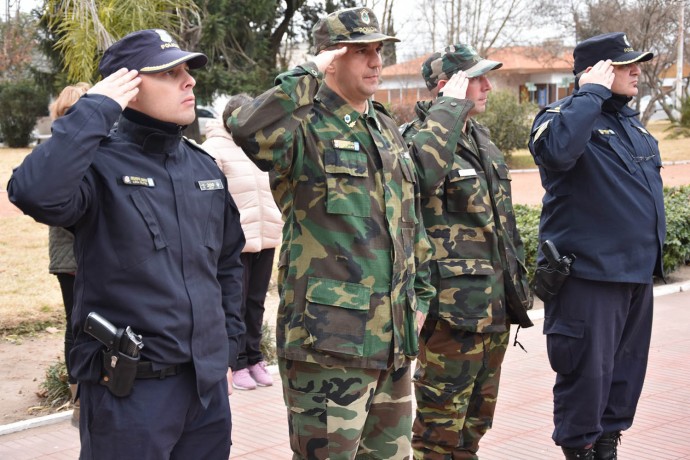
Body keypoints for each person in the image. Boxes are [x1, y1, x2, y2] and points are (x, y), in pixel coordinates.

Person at [8, 29, 245, 460]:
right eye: (169, 72)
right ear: (129, 88)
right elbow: (33, 192)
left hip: (206, 394)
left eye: (187, 70)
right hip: (131, 397)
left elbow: (228, 265)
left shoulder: (202, 167)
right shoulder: (97, 163)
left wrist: (226, 351)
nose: (188, 80)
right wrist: (96, 108)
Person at [228, 7, 436, 459]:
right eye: (361, 51)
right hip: (329, 347)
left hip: (394, 345)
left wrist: (421, 297)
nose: (376, 61)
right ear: (331, 59)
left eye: (378, 50)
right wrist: (307, 71)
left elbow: (409, 221)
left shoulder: (384, 128)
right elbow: (248, 129)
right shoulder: (301, 126)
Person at [528, 32, 665, 459]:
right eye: (625, 65)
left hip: (635, 276)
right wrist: (589, 95)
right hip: (588, 278)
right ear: (597, 72)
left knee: (621, 387)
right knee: (585, 387)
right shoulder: (562, 116)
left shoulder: (629, 122)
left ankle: (607, 447)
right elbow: (557, 152)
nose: (636, 70)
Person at [403, 44, 533, 459]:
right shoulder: (418, 142)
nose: (488, 86)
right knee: (438, 431)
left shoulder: (483, 141)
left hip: (492, 308)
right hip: (450, 316)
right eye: (478, 78)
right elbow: (416, 187)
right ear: (448, 86)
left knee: (476, 425)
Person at [202, 93, 283, 390]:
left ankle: (254, 357)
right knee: (233, 304)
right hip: (234, 242)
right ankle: (235, 362)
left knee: (256, 303)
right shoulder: (213, 149)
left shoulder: (260, 146)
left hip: (267, 236)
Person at [46, 81, 92, 427]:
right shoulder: (65, 152)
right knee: (77, 327)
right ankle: (79, 396)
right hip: (73, 258)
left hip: (81, 257)